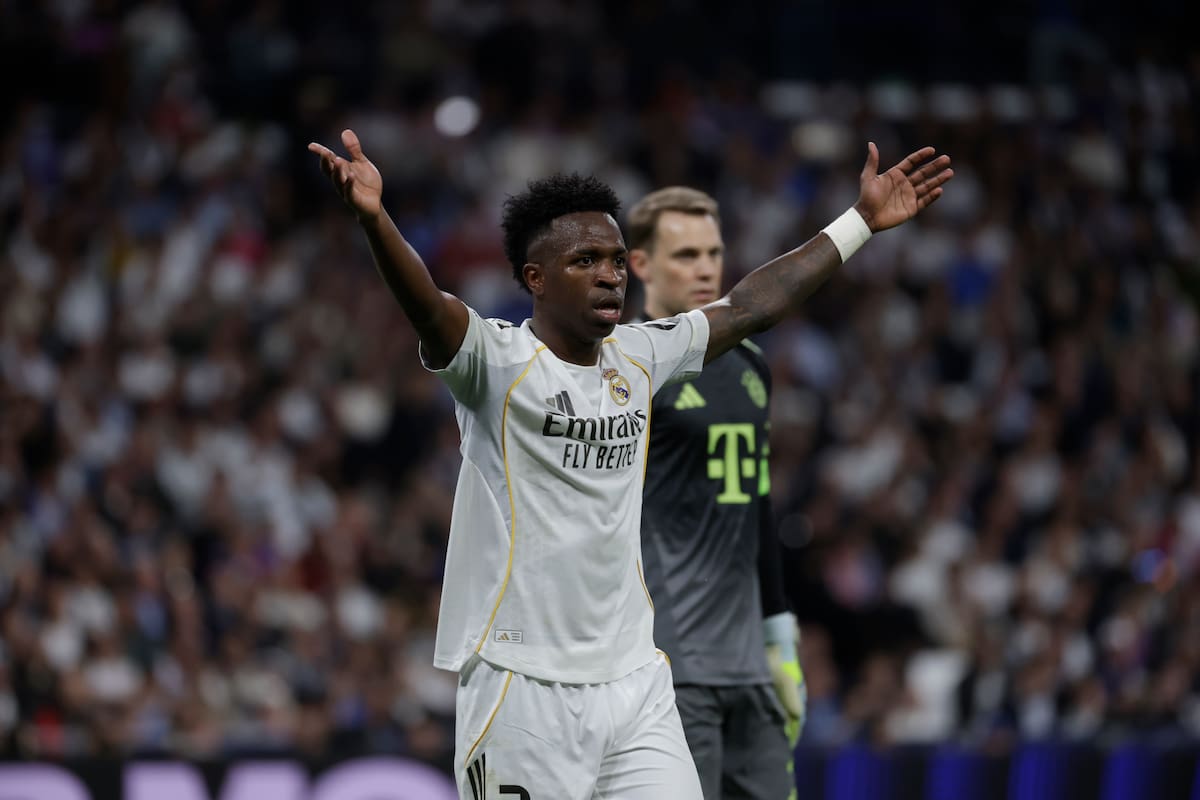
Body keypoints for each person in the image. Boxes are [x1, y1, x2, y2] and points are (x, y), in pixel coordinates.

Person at [307, 130, 952, 799]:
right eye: (586, 260)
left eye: (616, 258)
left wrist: (861, 223)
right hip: (522, 688)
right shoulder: (495, 366)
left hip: (635, 684)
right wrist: (376, 220)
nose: (611, 273)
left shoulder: (641, 355)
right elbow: (429, 310)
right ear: (536, 278)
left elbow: (754, 304)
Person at [627, 186, 801, 799]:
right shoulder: (628, 368)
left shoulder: (752, 364)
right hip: (670, 666)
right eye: (686, 255)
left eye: (714, 252)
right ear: (641, 264)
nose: (705, 268)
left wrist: (780, 636)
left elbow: (757, 502)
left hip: (751, 665)